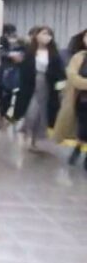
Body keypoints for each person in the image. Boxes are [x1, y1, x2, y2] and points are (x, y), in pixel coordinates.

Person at [15, 26, 66, 151]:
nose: (46, 36)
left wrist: (59, 88)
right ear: (37, 35)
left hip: (47, 85)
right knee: (31, 111)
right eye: (44, 33)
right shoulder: (30, 51)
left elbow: (60, 72)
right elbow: (24, 68)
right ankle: (27, 131)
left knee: (41, 112)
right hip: (31, 84)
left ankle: (34, 139)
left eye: (49, 34)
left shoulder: (54, 53)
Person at [53, 28, 87, 168]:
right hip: (82, 99)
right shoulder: (79, 57)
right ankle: (78, 147)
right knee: (83, 127)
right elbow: (72, 76)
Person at [0, 24, 25, 126]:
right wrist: (10, 55)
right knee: (4, 95)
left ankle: (3, 116)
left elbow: (23, 51)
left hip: (11, 71)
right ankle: (2, 116)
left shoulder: (19, 41)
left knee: (7, 94)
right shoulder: (1, 41)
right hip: (5, 70)